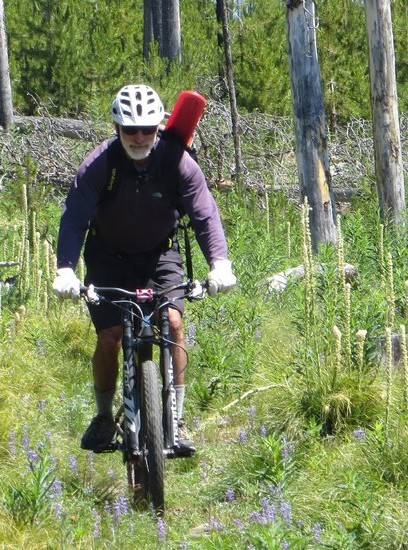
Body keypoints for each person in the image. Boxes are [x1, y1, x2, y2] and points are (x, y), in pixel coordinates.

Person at [52, 84, 237, 452]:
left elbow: (204, 213)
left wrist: (220, 263)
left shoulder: (176, 162)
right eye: (130, 130)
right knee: (111, 338)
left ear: (159, 127)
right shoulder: (99, 165)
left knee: (173, 323)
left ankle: (178, 419)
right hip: (107, 258)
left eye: (148, 129)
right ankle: (104, 417)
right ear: (117, 128)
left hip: (159, 255)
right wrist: (66, 270)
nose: (139, 137)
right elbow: (74, 219)